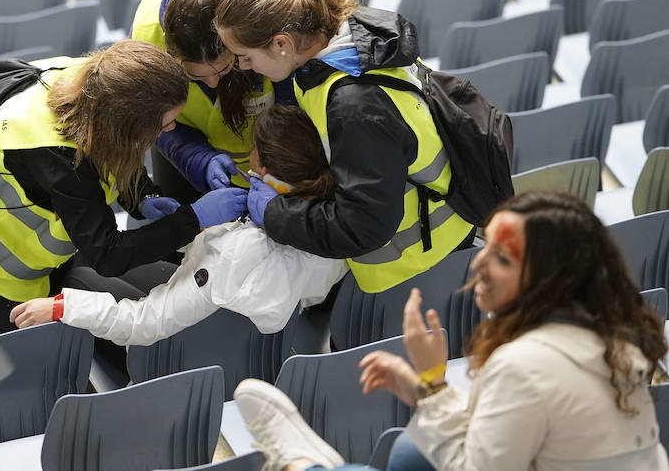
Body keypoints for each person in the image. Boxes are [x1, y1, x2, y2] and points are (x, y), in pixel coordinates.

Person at [231, 191, 669, 471]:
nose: (478, 262)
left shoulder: (525, 365)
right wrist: (425, 389)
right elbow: (508, 438)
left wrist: (432, 380)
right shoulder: (610, 335)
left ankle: (301, 466)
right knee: (407, 453)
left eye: (501, 258)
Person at [0, 40, 247, 335]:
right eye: (163, 122)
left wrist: (143, 196)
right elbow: (107, 255)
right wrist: (193, 218)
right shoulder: (60, 157)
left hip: (16, 178)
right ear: (126, 124)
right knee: (24, 343)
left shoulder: (102, 80)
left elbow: (111, 155)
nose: (171, 129)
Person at [214, 0, 476, 294]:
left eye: (244, 57)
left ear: (282, 44)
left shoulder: (355, 105)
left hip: (420, 265)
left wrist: (273, 213)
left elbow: (363, 227)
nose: (243, 67)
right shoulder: (351, 42)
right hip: (436, 236)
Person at [8, 105, 347, 342]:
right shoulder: (336, 223)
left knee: (78, 274)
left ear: (260, 164)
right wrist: (189, 225)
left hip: (181, 350)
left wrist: (59, 308)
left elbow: (143, 324)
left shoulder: (234, 253)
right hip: (247, 340)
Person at [130, 0, 297, 200]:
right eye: (194, 75)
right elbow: (156, 121)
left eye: (225, 68)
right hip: (185, 156)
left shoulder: (271, 19)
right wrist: (199, 159)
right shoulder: (148, 40)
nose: (213, 83)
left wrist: (278, 143)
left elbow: (295, 89)